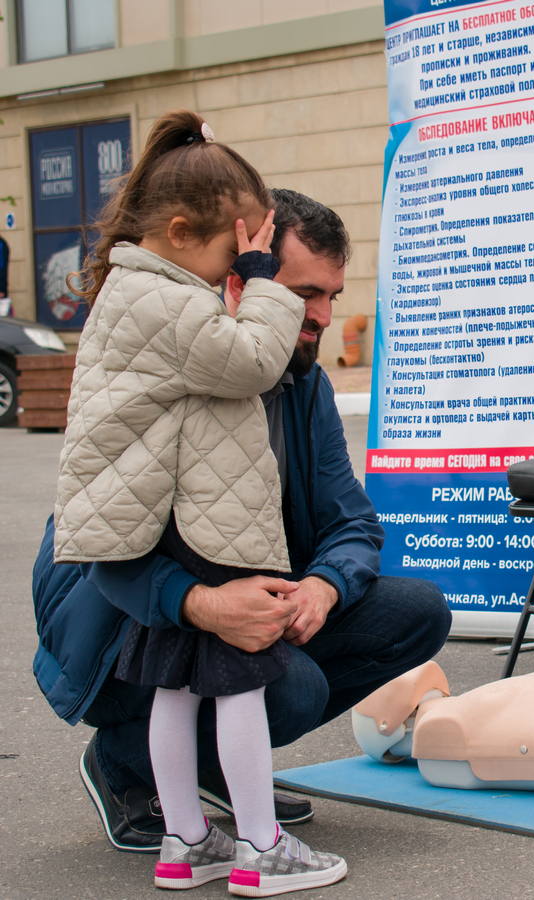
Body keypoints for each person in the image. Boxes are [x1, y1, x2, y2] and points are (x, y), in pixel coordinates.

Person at [31, 180, 450, 872]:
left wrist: (322, 587)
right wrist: (202, 605)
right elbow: (103, 547)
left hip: (240, 588)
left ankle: (216, 783)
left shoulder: (301, 378)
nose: (317, 315)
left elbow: (354, 522)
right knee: (286, 689)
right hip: (123, 614)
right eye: (302, 293)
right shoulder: (176, 359)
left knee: (417, 613)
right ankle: (122, 763)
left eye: (331, 298)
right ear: (243, 281)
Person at [52, 109, 353, 893]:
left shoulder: (137, 293)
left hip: (172, 520)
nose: (241, 272)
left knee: (178, 692)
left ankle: (187, 840)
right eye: (235, 252)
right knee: (242, 687)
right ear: (184, 233)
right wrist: (259, 280)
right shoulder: (167, 299)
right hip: (191, 534)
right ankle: (259, 845)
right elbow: (255, 358)